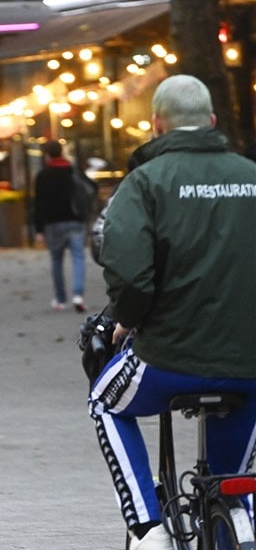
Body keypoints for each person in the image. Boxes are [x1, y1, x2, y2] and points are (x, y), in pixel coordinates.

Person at [88, 74, 256, 550]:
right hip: (249, 365)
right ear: (213, 122)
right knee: (229, 477)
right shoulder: (251, 175)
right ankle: (233, 513)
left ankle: (147, 527)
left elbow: (129, 274)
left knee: (105, 402)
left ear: (156, 125)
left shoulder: (145, 183)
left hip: (168, 359)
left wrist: (128, 319)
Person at [34, 140, 88, 312]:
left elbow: (38, 203)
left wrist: (39, 229)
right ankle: (78, 295)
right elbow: (88, 189)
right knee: (78, 258)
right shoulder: (73, 170)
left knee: (56, 260)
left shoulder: (43, 175)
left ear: (47, 155)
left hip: (53, 223)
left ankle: (60, 299)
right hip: (75, 220)